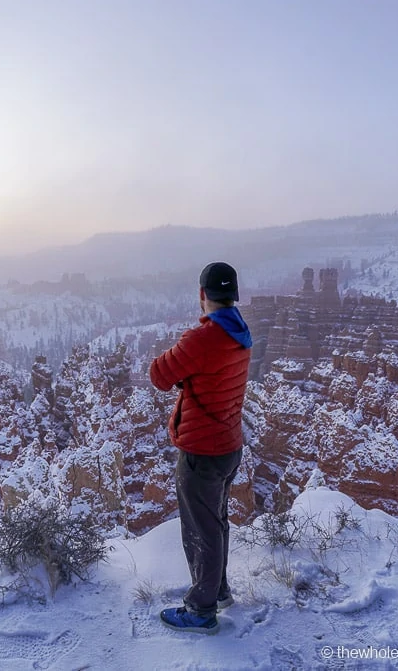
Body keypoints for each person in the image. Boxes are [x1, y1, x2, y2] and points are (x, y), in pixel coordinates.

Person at [149, 261, 252, 634]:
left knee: (200, 529)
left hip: (202, 452)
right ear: (234, 295)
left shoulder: (202, 338)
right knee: (216, 522)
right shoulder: (239, 330)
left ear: (202, 294)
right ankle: (218, 591)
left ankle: (201, 610)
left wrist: (183, 345)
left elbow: (159, 375)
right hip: (228, 446)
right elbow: (211, 375)